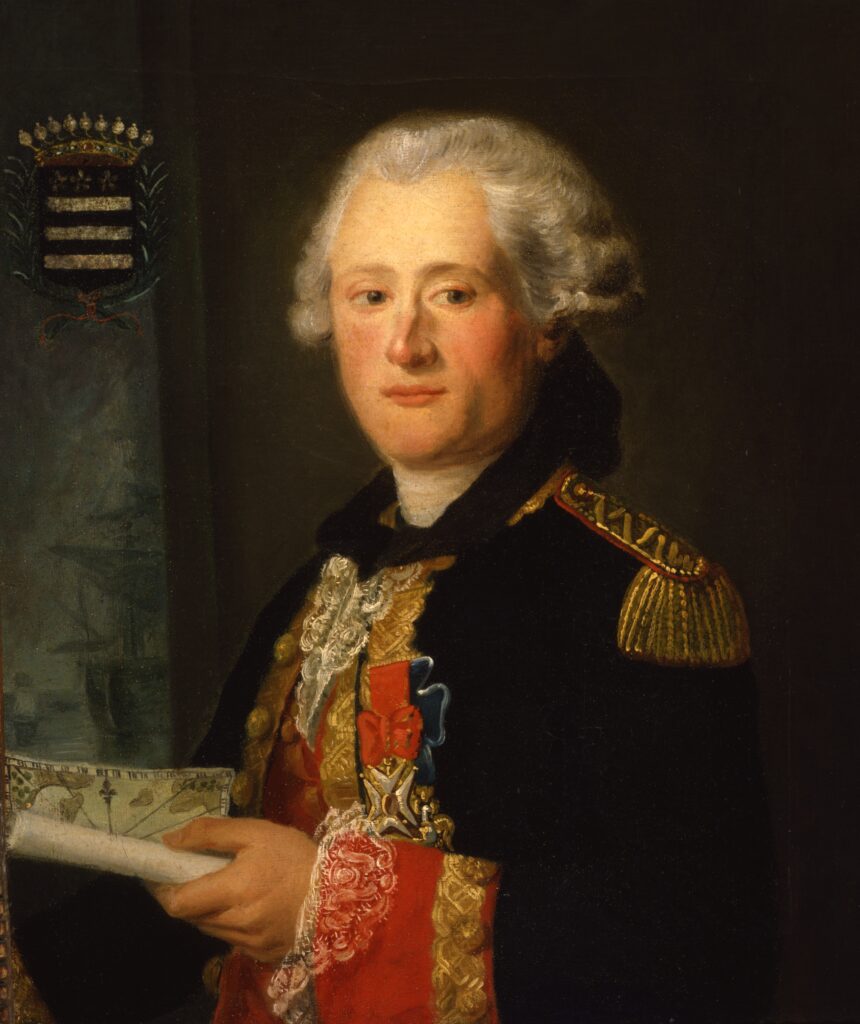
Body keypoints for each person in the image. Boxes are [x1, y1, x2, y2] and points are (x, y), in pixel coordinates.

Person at [12, 112, 776, 1024]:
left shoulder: (636, 597)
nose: (405, 344)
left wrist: (332, 907)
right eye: (370, 296)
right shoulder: (318, 591)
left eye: (453, 293)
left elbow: (700, 960)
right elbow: (200, 877)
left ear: (549, 321)